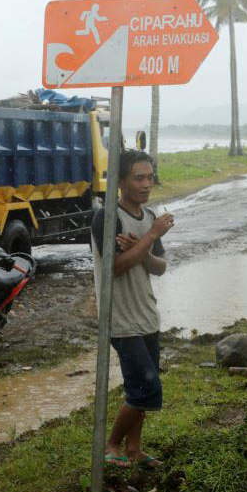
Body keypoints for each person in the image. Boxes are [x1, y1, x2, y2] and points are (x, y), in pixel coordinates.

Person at [91, 150, 174, 468]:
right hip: (121, 317)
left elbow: (159, 267)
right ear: (121, 181)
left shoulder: (150, 218)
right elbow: (117, 267)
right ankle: (111, 445)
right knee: (146, 388)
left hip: (147, 314)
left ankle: (134, 450)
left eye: (150, 177)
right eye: (138, 178)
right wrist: (150, 237)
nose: (146, 184)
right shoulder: (107, 217)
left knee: (139, 387)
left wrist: (144, 245)